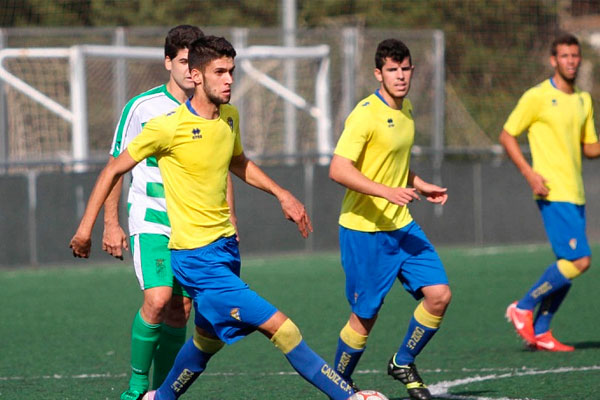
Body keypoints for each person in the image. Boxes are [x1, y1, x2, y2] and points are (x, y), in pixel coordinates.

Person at [70, 35, 357, 400]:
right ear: (196, 75)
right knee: (282, 330)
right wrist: (88, 228)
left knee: (206, 341)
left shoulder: (230, 118)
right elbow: (113, 169)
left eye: (232, 71)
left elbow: (237, 162)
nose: (229, 79)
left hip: (225, 250)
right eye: (219, 72)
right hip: (195, 258)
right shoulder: (165, 126)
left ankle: (159, 397)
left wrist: (282, 194)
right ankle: (349, 396)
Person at [101, 25, 237, 400]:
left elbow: (222, 168)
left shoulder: (214, 111)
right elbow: (116, 166)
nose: (188, 68)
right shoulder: (142, 108)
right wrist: (111, 224)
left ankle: (162, 394)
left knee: (181, 312)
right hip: (151, 220)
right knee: (158, 299)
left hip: (193, 227)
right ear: (168, 63)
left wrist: (231, 220)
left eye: (194, 60)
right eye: (181, 60)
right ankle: (136, 387)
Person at [329, 39, 451, 400]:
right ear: (378, 74)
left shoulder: (407, 108)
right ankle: (337, 384)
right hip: (364, 230)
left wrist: (418, 183)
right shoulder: (365, 113)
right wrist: (386, 191)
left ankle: (402, 360)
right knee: (365, 317)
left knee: (439, 295)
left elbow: (393, 163)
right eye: (392, 70)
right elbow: (338, 169)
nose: (400, 76)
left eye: (405, 68)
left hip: (402, 223)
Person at [500, 33, 600, 352]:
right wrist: (530, 174)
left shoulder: (583, 99)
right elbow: (507, 135)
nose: (571, 61)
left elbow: (590, 147)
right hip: (552, 191)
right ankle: (524, 306)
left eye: (575, 56)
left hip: (576, 192)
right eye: (564, 56)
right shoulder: (537, 96)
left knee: (566, 265)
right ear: (553, 60)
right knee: (580, 260)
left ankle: (541, 331)